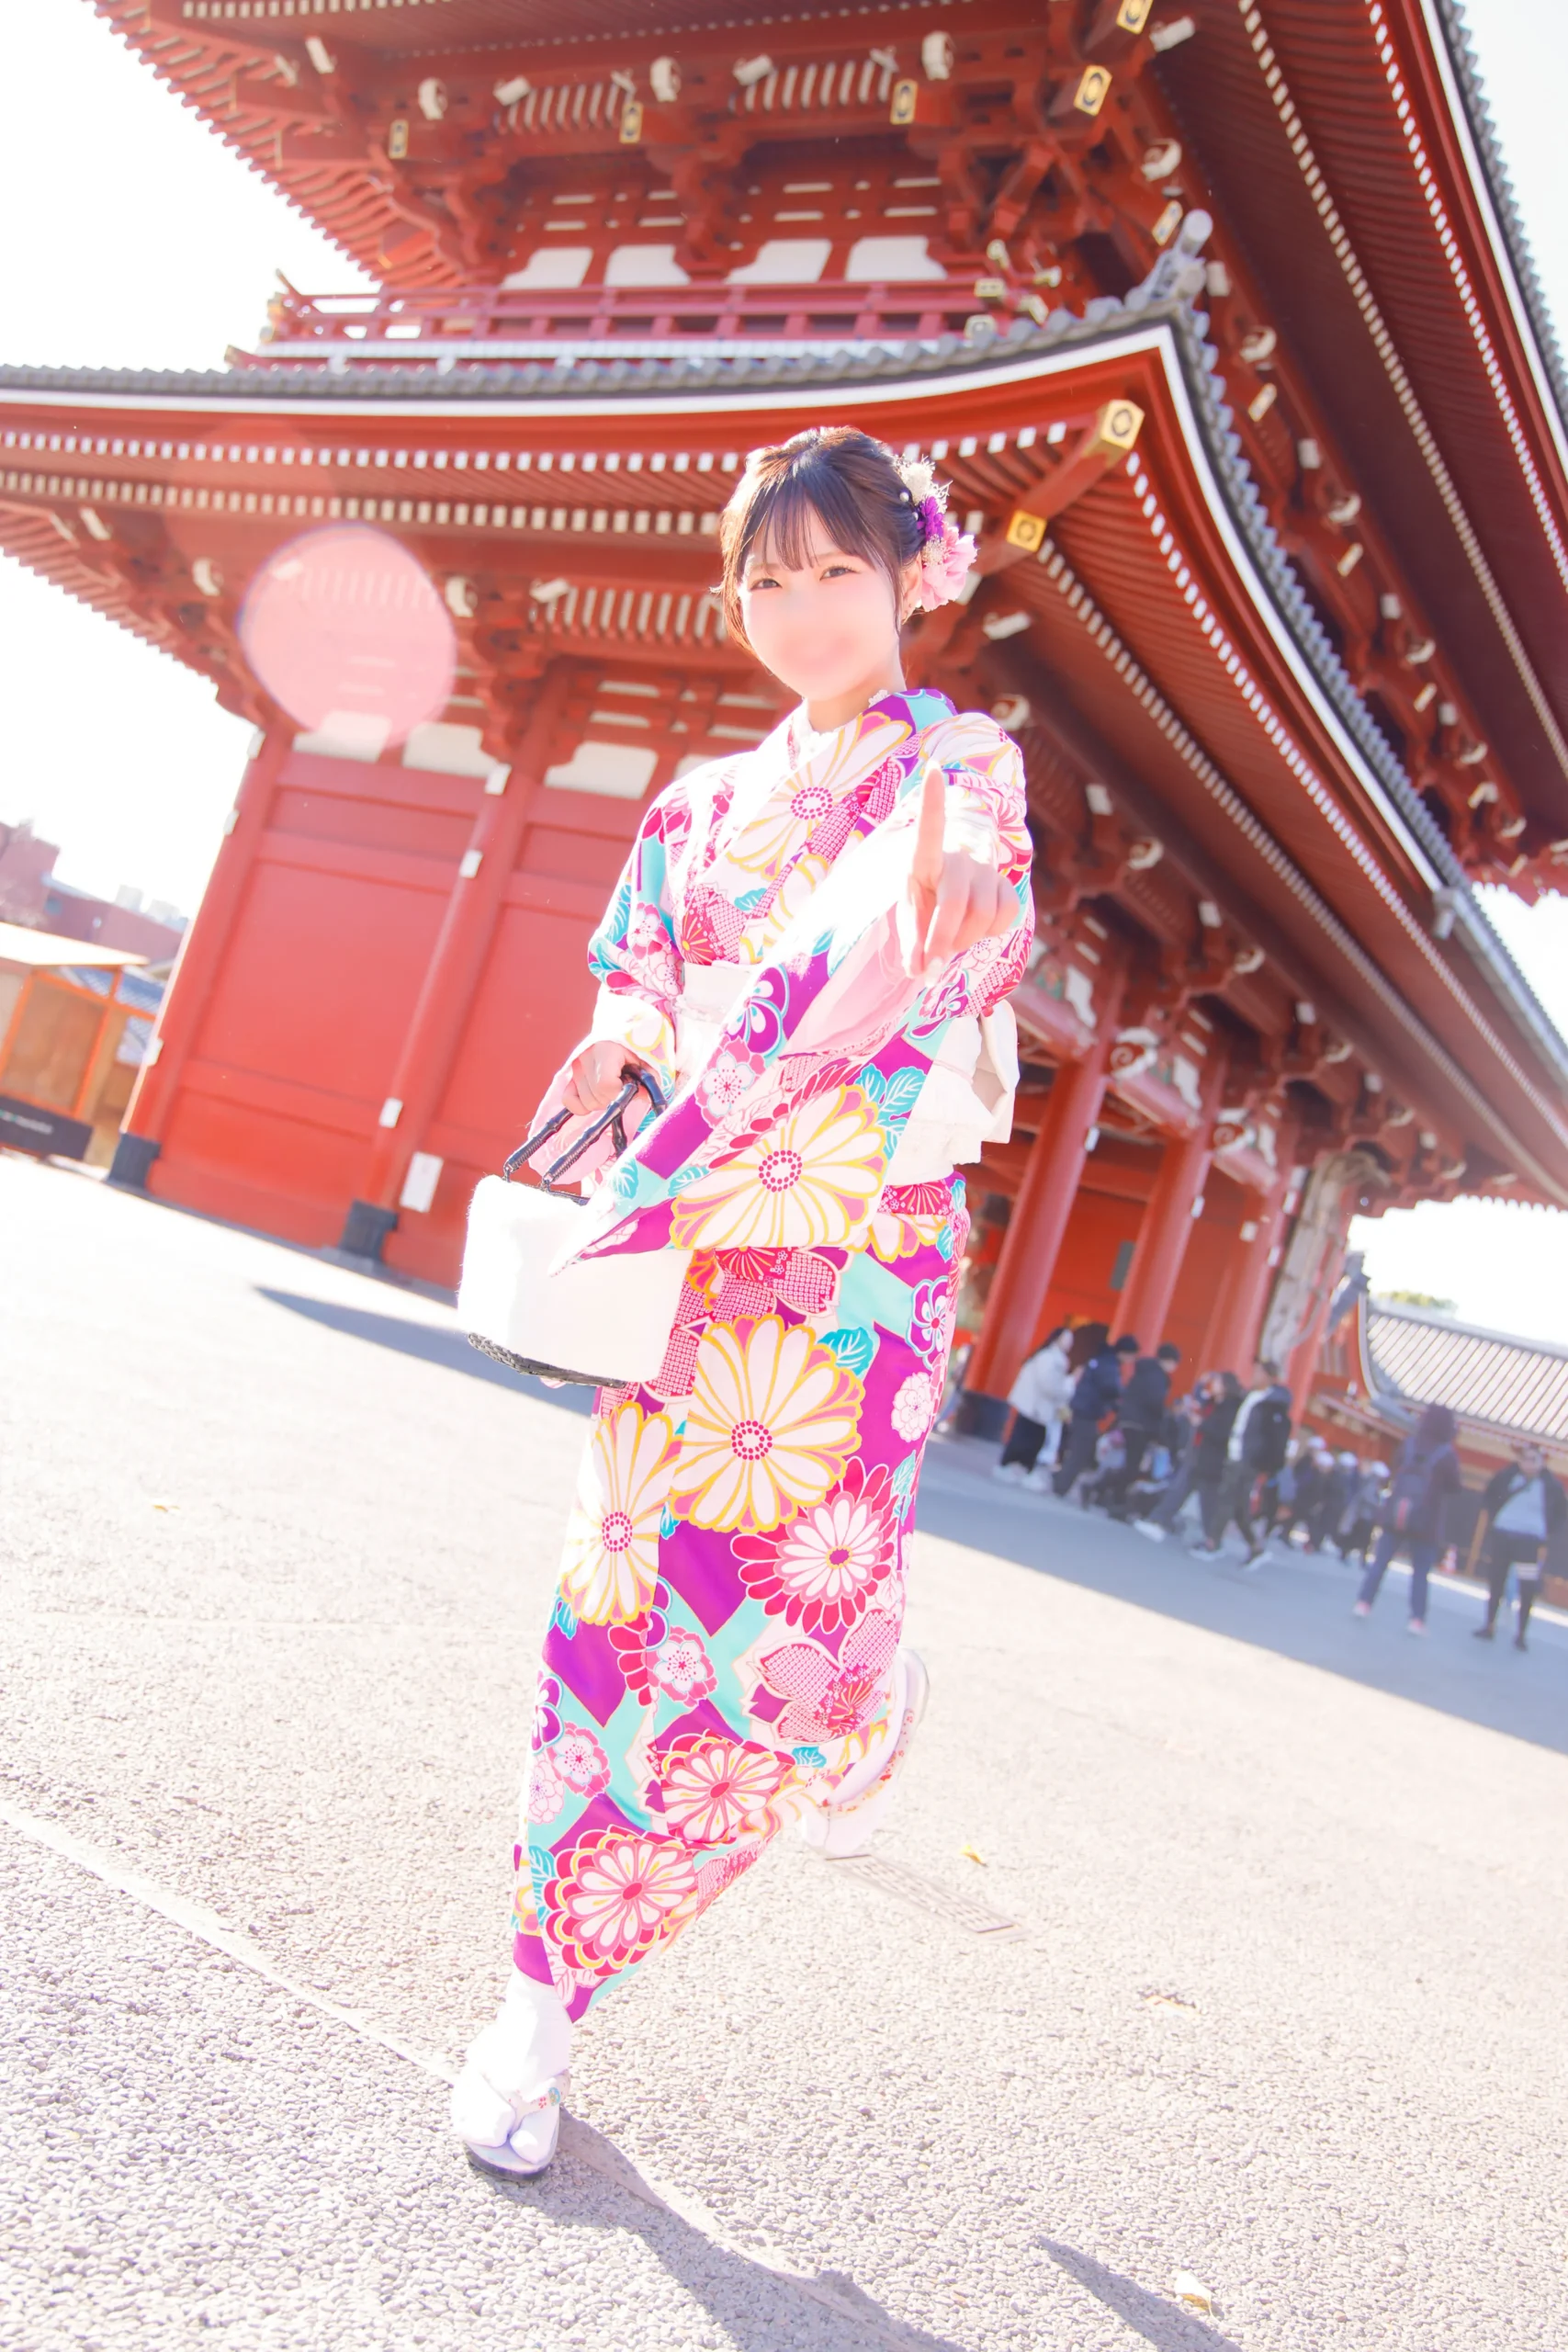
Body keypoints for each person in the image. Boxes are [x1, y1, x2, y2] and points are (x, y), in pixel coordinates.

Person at [448, 425, 1033, 2178]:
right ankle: (541, 1996)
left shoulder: (959, 761)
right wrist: (623, 1041)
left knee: (793, 1622)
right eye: (766, 580)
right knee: (618, 1602)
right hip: (696, 1230)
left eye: (836, 572)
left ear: (912, 577)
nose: (800, 611)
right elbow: (638, 970)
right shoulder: (699, 800)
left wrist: (959, 871)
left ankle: (854, 1695)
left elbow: (975, 866)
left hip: (856, 1252)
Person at [1351, 1405, 1461, 1631]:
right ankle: (1416, 1619)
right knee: (1420, 1572)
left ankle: (1364, 1603)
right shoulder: (1446, 1454)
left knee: (1380, 1562)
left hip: (1396, 1514)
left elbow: (1395, 1467)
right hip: (1426, 1521)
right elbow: (1454, 1486)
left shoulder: (1408, 1445)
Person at [1190, 1357, 1292, 1567]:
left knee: (1226, 1499)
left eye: (1258, 1372)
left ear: (1268, 1376)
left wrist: (1257, 1457)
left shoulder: (1271, 1404)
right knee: (1239, 1507)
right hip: (1234, 1453)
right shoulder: (1250, 1396)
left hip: (1247, 1458)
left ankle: (1212, 1544)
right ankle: (1255, 1547)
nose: (1254, 1375)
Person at [1472, 1441, 1565, 1650]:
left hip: (1529, 1541)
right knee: (1496, 1581)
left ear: (1542, 1462)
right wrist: (1494, 1519)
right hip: (1504, 1534)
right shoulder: (1507, 1476)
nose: (1529, 1463)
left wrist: (1547, 1533)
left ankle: (1521, 1633)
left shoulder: (1550, 1485)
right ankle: (1489, 1625)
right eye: (1525, 1459)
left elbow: (1560, 1512)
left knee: (1527, 1587)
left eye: (1534, 1459)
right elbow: (1490, 1495)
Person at [1136, 1370, 1242, 1541]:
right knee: (1181, 1489)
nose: (1214, 1385)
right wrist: (1201, 1383)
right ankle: (1159, 1520)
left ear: (1226, 1386)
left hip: (1211, 1460)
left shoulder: (1230, 1408)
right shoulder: (1213, 1403)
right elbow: (1199, 1399)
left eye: (1217, 1382)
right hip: (1198, 1454)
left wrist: (1201, 1424)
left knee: (1207, 1501)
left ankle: (1211, 1540)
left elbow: (1222, 1433)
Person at [1054, 1332, 1137, 1498]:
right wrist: (1125, 1396)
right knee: (1081, 1452)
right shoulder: (1109, 1365)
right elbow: (1110, 1388)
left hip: (1083, 1409)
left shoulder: (1102, 1360)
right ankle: (1060, 1485)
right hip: (1087, 1412)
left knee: (1079, 1449)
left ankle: (1060, 1481)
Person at [1103, 1341, 1181, 1519]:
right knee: (1132, 1466)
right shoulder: (1158, 1377)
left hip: (1129, 1420)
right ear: (1169, 1361)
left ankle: (1106, 1490)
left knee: (1130, 1464)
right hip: (1141, 1424)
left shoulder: (1144, 1371)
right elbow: (1155, 1403)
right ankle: (1115, 1499)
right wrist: (1163, 1419)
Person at [993, 1327, 1074, 1487]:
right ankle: (1011, 1466)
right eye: (1067, 1339)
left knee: (1031, 1440)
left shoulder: (1053, 1357)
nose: (1070, 1343)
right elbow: (1048, 1384)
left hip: (1037, 1408)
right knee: (1026, 1439)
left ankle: (1021, 1468)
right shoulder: (1050, 1358)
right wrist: (1066, 1390)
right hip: (1035, 1407)